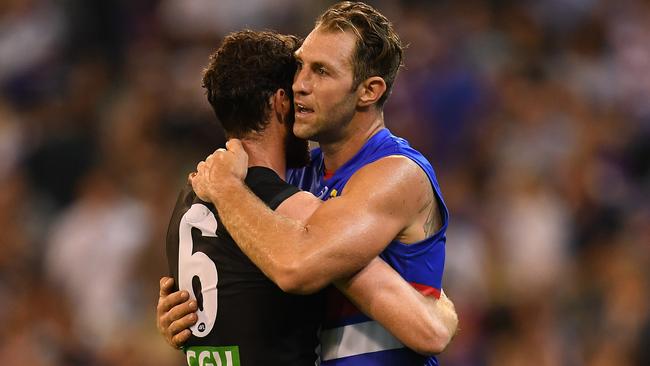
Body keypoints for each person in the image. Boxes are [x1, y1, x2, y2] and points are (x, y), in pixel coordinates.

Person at [161, 28, 457, 365]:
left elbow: (297, 265)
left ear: (370, 90)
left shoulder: (394, 173)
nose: (302, 86)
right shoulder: (290, 187)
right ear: (279, 101)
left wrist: (228, 191)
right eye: (300, 69)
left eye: (321, 71)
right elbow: (428, 326)